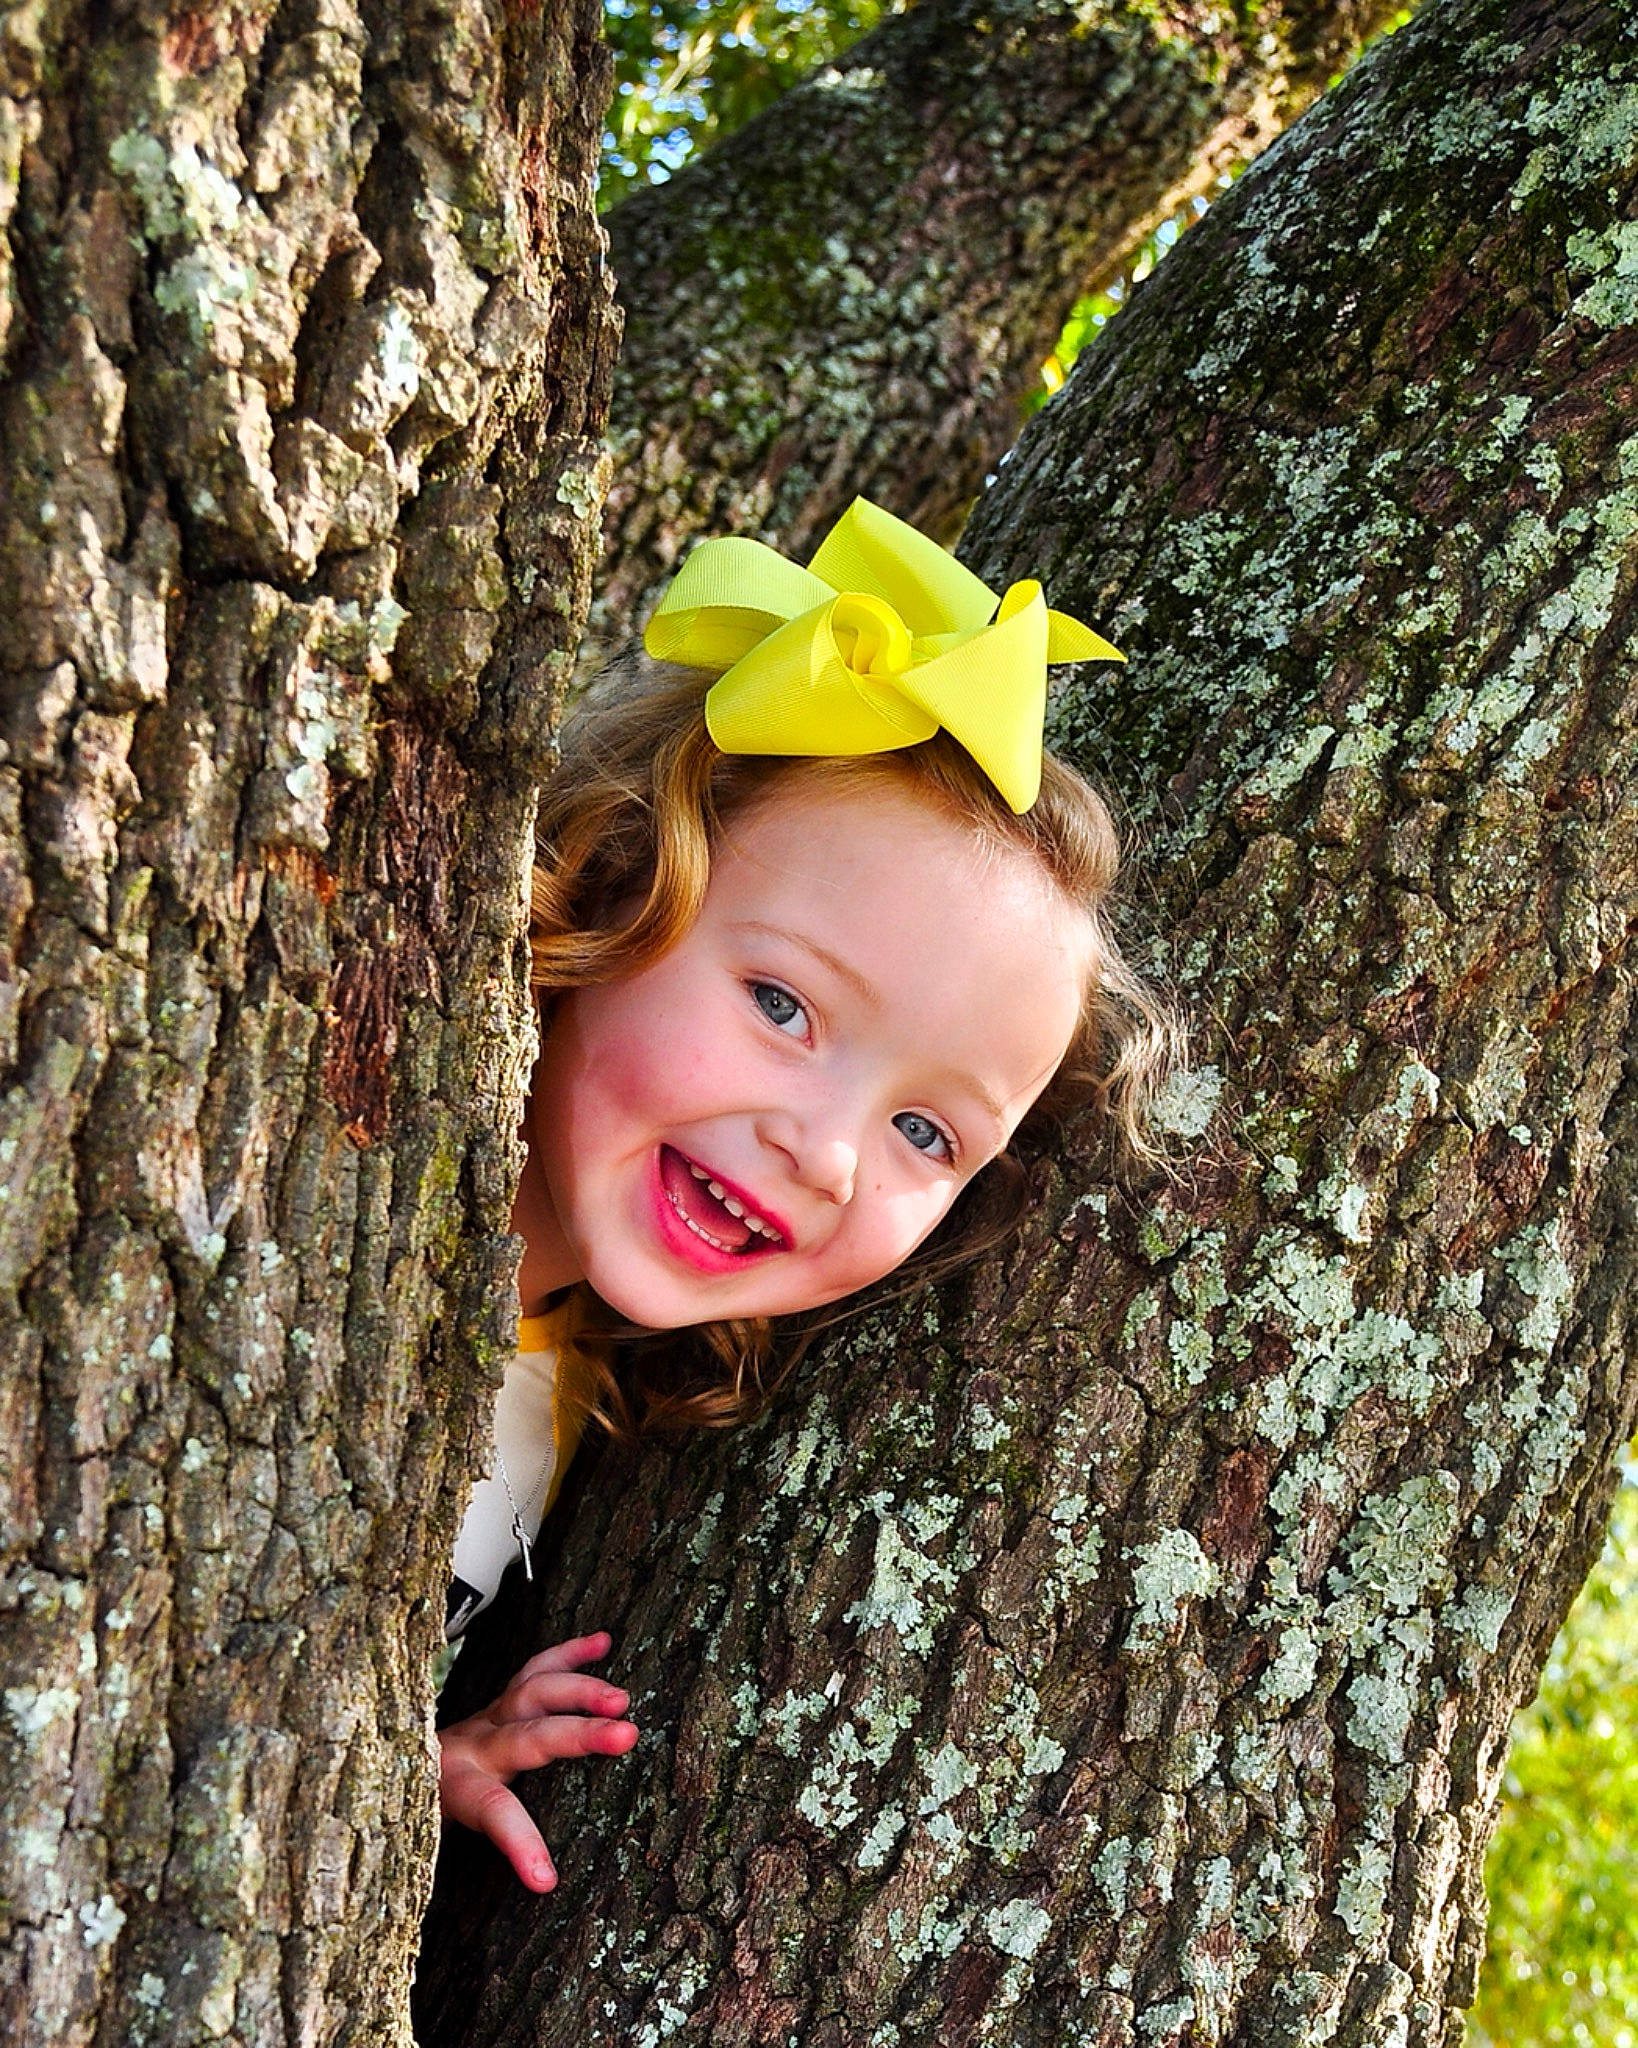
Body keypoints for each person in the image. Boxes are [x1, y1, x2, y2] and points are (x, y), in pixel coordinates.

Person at [434, 497, 1180, 1892]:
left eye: (923, 1131)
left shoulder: (576, 1398)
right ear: (617, 872)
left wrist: (423, 1755)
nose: (829, 1156)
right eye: (783, 1005)